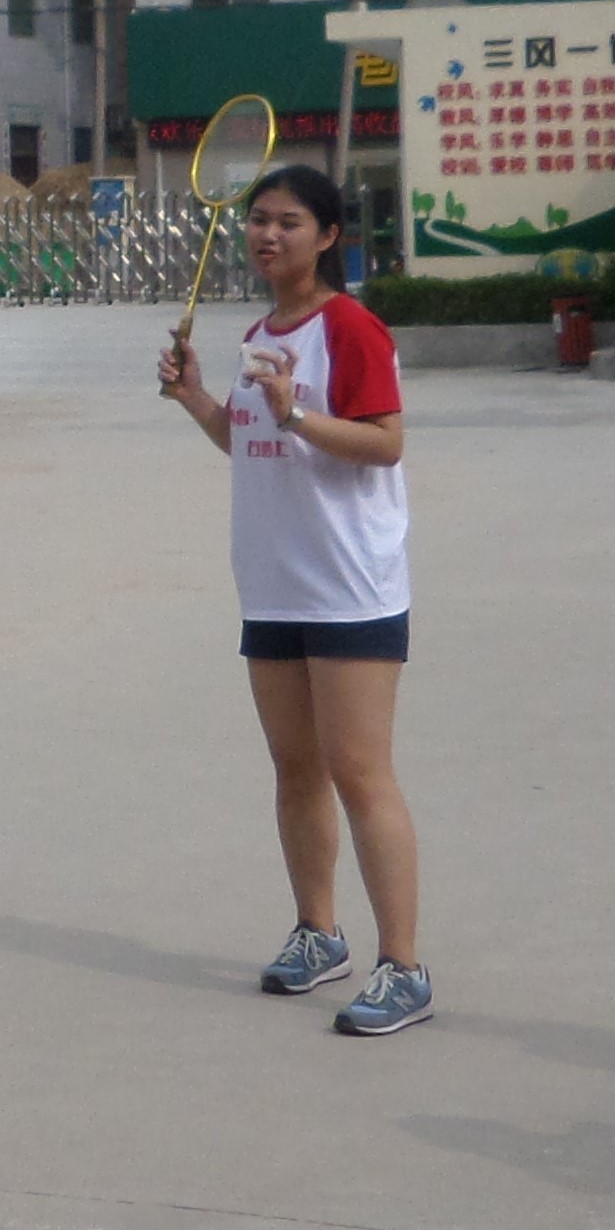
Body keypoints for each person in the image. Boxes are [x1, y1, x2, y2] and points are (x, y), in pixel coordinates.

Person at [154, 161, 428, 1036]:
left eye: (289, 222)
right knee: (296, 767)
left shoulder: (350, 328)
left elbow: (385, 444)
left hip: (349, 589)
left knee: (360, 773)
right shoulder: (259, 332)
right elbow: (251, 443)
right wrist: (197, 396)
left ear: (328, 236)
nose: (268, 235)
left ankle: (405, 968)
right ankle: (319, 933)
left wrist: (297, 412)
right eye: (259, 220)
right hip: (272, 586)